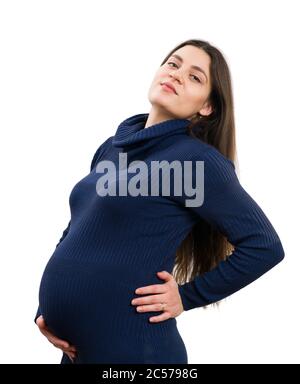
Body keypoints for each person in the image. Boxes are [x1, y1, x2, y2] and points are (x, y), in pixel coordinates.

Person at [34, 39, 285, 364]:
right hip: (77, 353)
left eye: (195, 77)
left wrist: (185, 296)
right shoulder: (112, 149)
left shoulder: (197, 162)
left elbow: (264, 245)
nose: (178, 74)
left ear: (206, 107)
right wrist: (47, 312)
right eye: (173, 63)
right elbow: (77, 230)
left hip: (136, 350)